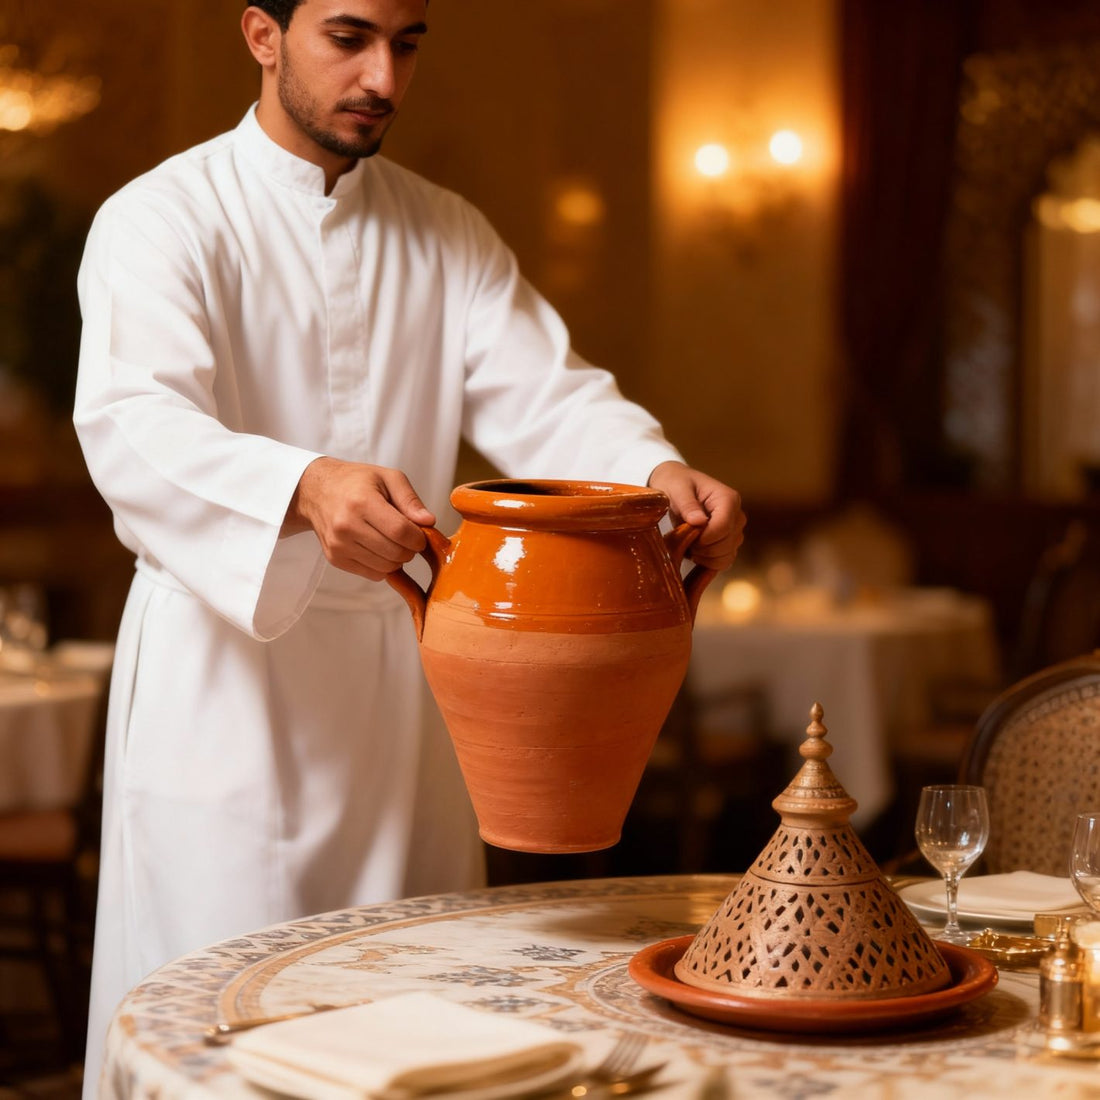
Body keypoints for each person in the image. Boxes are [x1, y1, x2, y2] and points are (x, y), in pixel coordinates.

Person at [73, 0, 746, 1093]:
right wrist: (301, 485)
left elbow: (550, 397)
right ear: (262, 36)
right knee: (219, 1029)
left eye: (407, 44)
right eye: (348, 39)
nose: (383, 77)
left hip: (407, 686)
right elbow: (131, 425)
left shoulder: (448, 230)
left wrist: (656, 471)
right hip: (225, 690)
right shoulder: (160, 217)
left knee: (421, 1012)